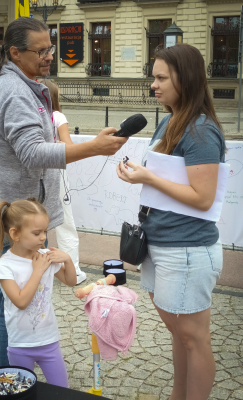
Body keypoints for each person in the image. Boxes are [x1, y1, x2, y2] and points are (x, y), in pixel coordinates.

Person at [0, 17, 127, 370]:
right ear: (15, 52)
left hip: (22, 209)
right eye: (41, 50)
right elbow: (33, 152)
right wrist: (94, 148)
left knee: (8, 286)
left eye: (51, 48)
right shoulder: (14, 91)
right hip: (20, 216)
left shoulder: (24, 84)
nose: (49, 56)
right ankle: (4, 375)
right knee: (18, 299)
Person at [116, 44, 225, 400]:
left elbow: (203, 197)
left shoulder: (201, 130)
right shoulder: (169, 119)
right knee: (180, 335)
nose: (154, 85)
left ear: (186, 78)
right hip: (160, 244)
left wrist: (147, 177)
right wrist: (139, 174)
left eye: (162, 78)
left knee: (194, 338)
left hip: (188, 249)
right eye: (154, 77)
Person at [0, 198, 75, 387]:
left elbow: (70, 281)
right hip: (20, 345)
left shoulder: (45, 256)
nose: (43, 237)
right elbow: (21, 301)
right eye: (37, 233)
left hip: (49, 341)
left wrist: (68, 260)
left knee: (63, 390)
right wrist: (37, 271)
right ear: (15, 234)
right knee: (23, 391)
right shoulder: (5, 265)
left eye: (45, 231)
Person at [43, 79, 86, 285]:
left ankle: (34, 264)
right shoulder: (57, 115)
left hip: (35, 172)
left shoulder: (32, 114)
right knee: (65, 221)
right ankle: (73, 270)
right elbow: (68, 146)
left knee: (32, 220)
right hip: (56, 172)